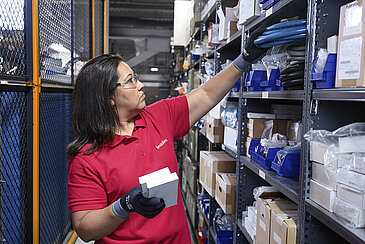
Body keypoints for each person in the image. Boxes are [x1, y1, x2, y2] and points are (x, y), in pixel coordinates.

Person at [67, 23, 268, 243]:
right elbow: (85, 228)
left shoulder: (159, 116)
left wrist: (243, 60)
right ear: (109, 98)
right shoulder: (87, 157)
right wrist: (123, 206)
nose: (141, 85)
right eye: (131, 81)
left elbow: (207, 95)